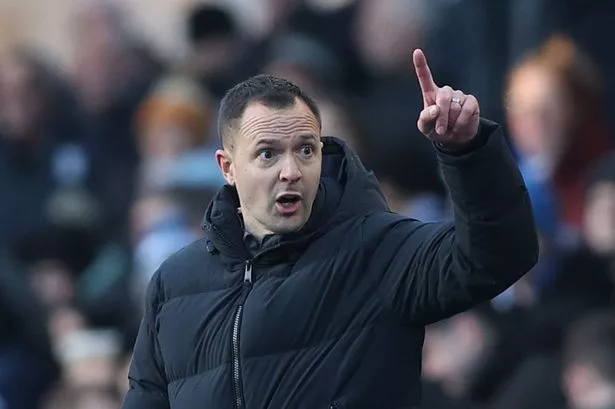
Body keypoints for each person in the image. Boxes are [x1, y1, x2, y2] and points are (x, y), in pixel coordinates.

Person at [121, 49, 538, 409]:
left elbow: (498, 254)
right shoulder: (173, 285)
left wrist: (468, 151)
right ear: (227, 167)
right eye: (267, 154)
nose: (291, 171)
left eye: (305, 150)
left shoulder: (378, 251)